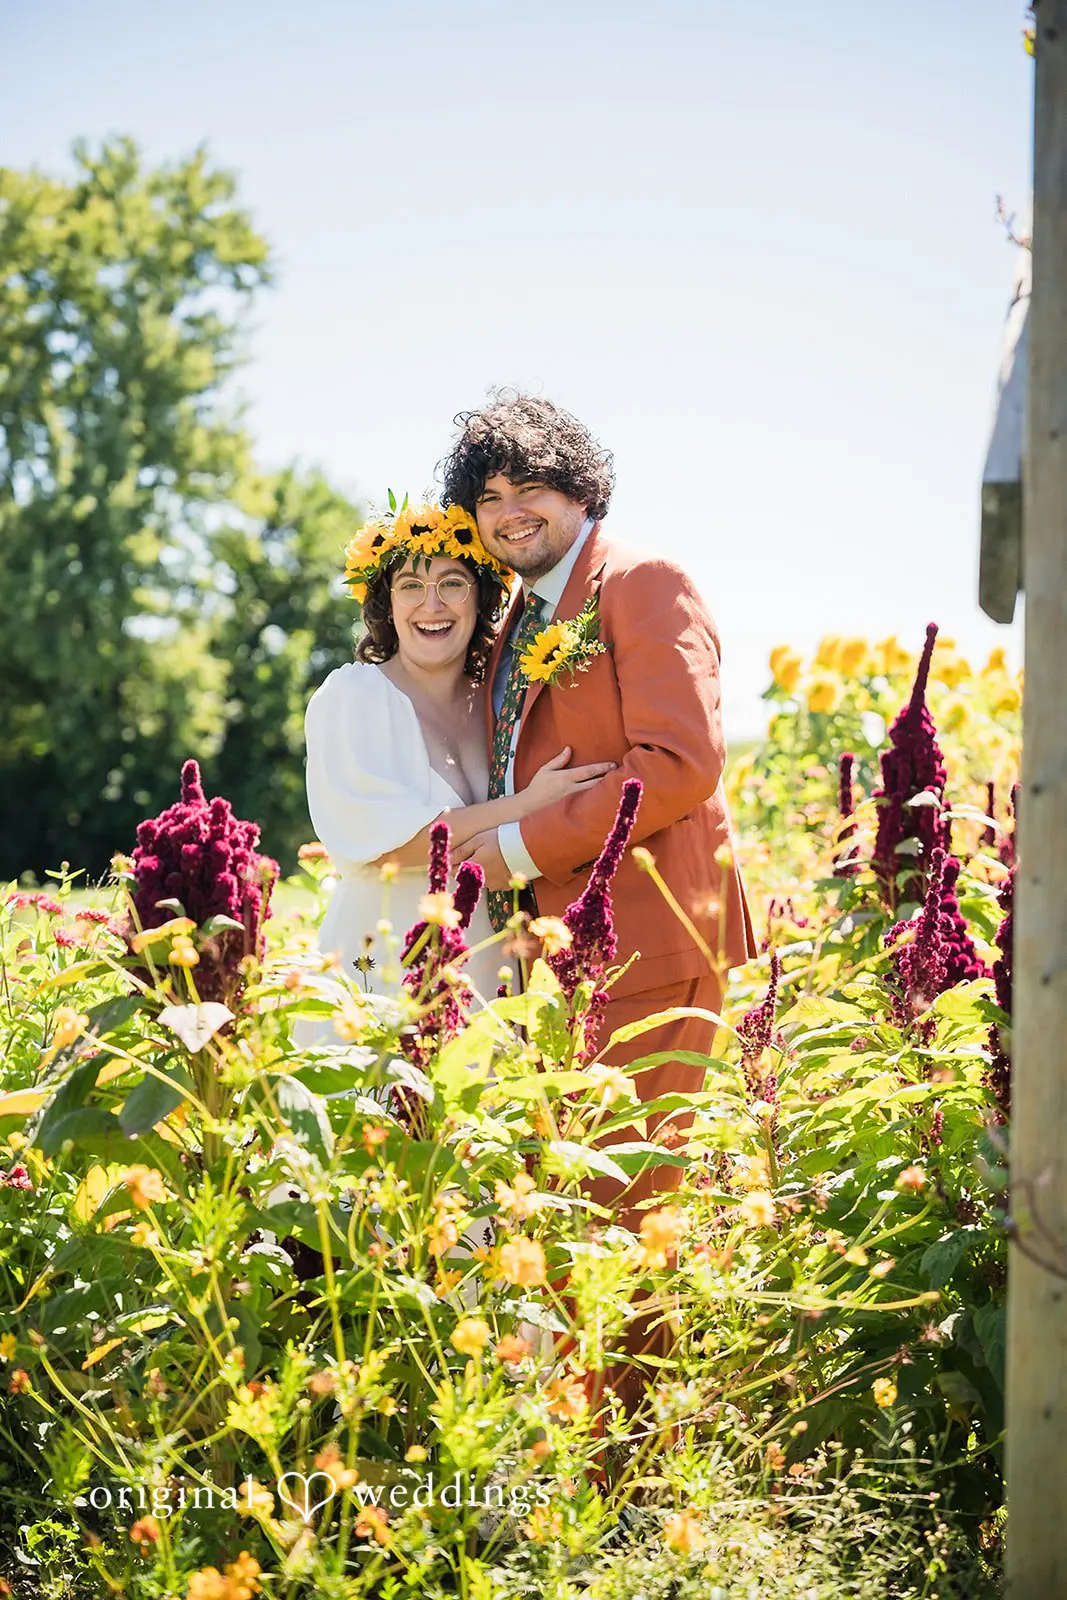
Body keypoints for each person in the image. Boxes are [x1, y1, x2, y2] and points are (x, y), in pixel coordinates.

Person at [439, 394, 756, 1405]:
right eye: (485, 497)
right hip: (555, 960)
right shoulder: (511, 624)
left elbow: (676, 763)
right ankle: (596, 1472)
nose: (508, 511)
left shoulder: (642, 584)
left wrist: (517, 845)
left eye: (528, 483)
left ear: (580, 486)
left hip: (653, 944)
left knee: (633, 1215)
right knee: (576, 1212)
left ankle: (638, 1497)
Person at [303, 499, 615, 1001]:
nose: (432, 605)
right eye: (410, 587)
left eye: (452, 583)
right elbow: (390, 846)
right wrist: (523, 805)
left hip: (489, 968)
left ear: (481, 599)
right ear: (386, 604)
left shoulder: (502, 698)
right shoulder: (353, 697)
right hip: (381, 966)